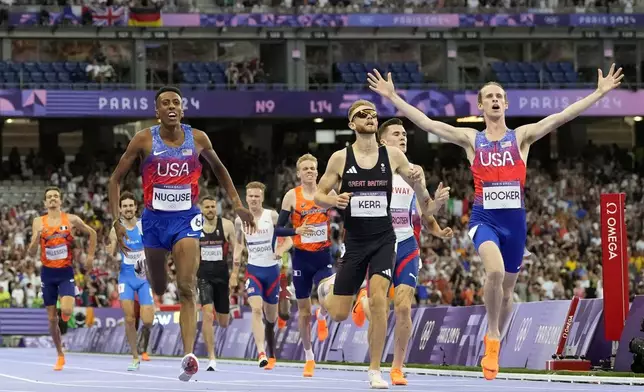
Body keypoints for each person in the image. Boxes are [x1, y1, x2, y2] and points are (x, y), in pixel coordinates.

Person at [366, 64, 623, 380]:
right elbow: (427, 122)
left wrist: (598, 93)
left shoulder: (522, 137)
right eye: (489, 96)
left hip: (514, 222)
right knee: (496, 272)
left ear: (506, 103)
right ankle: (492, 335)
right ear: (481, 105)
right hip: (484, 218)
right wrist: (393, 97)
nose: (495, 100)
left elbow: (563, 116)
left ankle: (497, 333)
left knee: (508, 291)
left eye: (500, 95)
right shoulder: (472, 139)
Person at [107, 86, 255, 382]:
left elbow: (221, 170)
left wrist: (237, 204)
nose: (171, 106)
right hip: (153, 221)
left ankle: (188, 356)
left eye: (176, 102)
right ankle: (149, 269)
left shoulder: (198, 138)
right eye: (165, 103)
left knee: (187, 287)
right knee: (160, 287)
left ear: (183, 110)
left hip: (186, 219)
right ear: (157, 111)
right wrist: (116, 222)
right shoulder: (143, 139)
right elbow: (115, 180)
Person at [313, 100, 451, 389]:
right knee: (338, 312)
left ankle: (376, 370)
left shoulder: (394, 157)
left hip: (385, 239)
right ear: (352, 124)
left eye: (373, 114)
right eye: (362, 114)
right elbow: (319, 195)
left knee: (379, 302)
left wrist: (433, 202)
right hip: (355, 241)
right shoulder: (340, 158)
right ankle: (327, 286)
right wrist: (333, 200)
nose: (370, 117)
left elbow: (424, 204)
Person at [351, 118, 454, 386]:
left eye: (405, 134)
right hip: (379, 244)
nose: (403, 137)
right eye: (397, 134)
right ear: (383, 141)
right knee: (379, 307)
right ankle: (373, 363)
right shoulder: (371, 167)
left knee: (404, 307)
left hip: (407, 244)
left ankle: (397, 367)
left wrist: (438, 210)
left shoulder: (414, 171)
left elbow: (425, 210)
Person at [276, 153, 334, 378]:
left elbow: (347, 213)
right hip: (301, 258)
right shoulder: (291, 196)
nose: (310, 171)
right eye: (305, 168)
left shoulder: (327, 193)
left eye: (313, 168)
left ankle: (323, 315)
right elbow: (278, 229)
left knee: (329, 295)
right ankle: (309, 357)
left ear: (318, 171)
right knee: (303, 311)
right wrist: (296, 231)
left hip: (323, 255)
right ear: (298, 173)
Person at [27, 187, 97, 371]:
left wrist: (90, 257)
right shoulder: (38, 222)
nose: (52, 199)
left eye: (55, 196)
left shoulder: (71, 219)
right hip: (47, 274)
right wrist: (37, 237)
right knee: (52, 319)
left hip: (65, 272)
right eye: (49, 197)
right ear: (45, 203)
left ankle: (65, 314)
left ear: (60, 201)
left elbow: (93, 233)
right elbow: (31, 252)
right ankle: (60, 354)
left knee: (65, 310)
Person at [232, 181, 291, 370]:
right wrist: (234, 272)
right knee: (256, 309)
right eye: (250, 196)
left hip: (272, 270)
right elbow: (239, 246)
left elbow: (289, 239)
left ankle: (271, 350)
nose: (253, 199)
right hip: (254, 271)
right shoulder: (240, 220)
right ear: (246, 198)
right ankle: (261, 352)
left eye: (257, 196)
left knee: (271, 318)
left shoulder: (271, 215)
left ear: (262, 198)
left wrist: (280, 249)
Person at [107, 192, 155, 371]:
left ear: (135, 207)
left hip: (143, 279)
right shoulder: (116, 229)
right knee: (129, 318)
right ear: (120, 209)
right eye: (124, 206)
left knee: (148, 319)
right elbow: (112, 251)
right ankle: (135, 357)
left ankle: (143, 343)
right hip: (126, 278)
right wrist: (110, 251)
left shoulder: (144, 225)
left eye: (130, 205)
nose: (128, 209)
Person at [197, 195, 235, 371]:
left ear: (217, 208)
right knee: (207, 314)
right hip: (203, 276)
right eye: (207, 207)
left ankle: (227, 313)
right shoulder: (195, 227)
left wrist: (236, 273)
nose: (210, 210)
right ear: (201, 209)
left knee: (223, 322)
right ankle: (211, 357)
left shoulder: (227, 225)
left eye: (213, 206)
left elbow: (236, 250)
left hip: (222, 276)